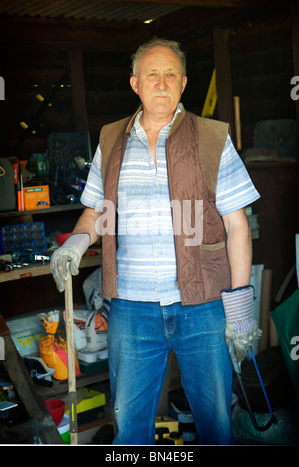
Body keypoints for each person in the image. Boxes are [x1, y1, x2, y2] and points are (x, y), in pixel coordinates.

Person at [50, 38, 261, 445]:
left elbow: (237, 225)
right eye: (151, 74)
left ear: (183, 83)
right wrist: (75, 243)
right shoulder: (111, 140)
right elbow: (95, 211)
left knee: (217, 423)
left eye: (170, 75)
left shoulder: (213, 138)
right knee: (129, 428)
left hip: (202, 308)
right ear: (135, 83)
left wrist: (239, 308)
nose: (161, 83)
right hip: (130, 309)